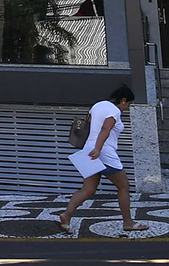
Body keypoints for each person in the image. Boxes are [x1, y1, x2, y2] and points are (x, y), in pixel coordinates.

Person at [57, 85, 147, 234]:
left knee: (88, 189)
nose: (127, 107)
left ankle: (66, 215)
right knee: (123, 186)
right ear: (123, 100)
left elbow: (89, 126)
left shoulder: (97, 106)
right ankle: (128, 222)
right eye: (128, 104)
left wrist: (93, 148)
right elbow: (105, 129)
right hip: (104, 153)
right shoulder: (114, 111)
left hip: (88, 150)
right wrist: (98, 149)